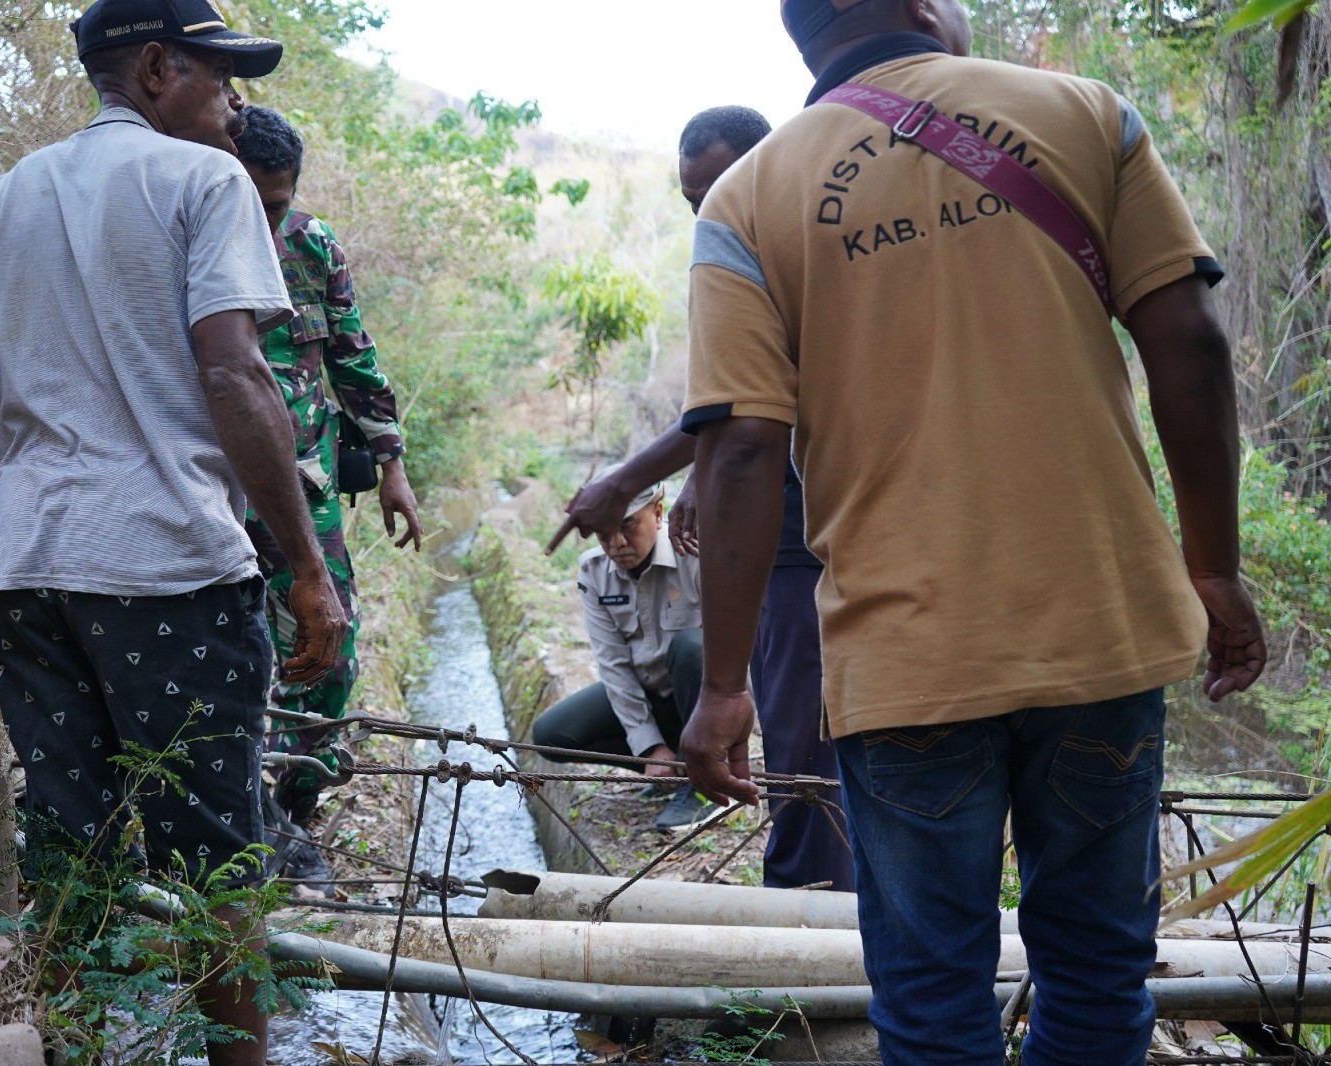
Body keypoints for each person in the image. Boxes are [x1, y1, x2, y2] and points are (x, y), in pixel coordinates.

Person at [678, 1, 1269, 1062]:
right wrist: (1212, 566)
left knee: (930, 992)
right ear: (920, 7)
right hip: (1100, 632)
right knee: (1096, 972)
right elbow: (1187, 341)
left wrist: (725, 687)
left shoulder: (747, 199)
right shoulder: (1085, 114)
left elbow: (740, 454)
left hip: (903, 659)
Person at [0, 3, 347, 1062]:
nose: (236, 106)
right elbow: (235, 372)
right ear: (153, 67)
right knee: (217, 859)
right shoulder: (203, 182)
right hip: (168, 569)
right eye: (221, 79)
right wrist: (309, 571)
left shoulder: (9, 195)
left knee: (70, 849)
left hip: (27, 576)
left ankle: (75, 1043)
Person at [547, 107, 853, 889]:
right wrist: (693, 475)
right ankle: (828, 895)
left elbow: (745, 421)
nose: (706, 208)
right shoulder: (739, 247)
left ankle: (812, 908)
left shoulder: (822, 243)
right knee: (803, 723)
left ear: (773, 162)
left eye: (718, 186)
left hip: (821, 518)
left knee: (813, 728)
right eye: (692, 198)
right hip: (798, 521)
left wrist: (625, 481)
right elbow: (730, 408)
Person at [230, 106, 423, 881]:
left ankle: (294, 811)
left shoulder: (310, 246)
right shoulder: (177, 239)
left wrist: (391, 464)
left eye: (278, 202)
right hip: (203, 487)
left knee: (328, 648)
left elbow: (352, 352)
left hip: (304, 486)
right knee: (234, 653)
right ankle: (245, 819)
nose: (267, 218)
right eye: (255, 200)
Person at [532, 472, 718, 831]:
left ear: (659, 513)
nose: (616, 543)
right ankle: (675, 770)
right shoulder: (594, 571)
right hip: (653, 696)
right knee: (552, 734)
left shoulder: (694, 555)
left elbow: (730, 656)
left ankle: (704, 785)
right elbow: (613, 665)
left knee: (691, 645)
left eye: (628, 526)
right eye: (604, 533)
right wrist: (650, 747)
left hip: (704, 699)